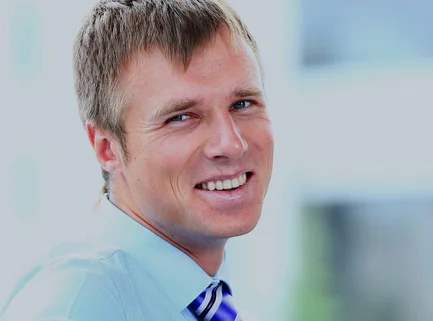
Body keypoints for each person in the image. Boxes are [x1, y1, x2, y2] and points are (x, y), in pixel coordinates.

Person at [0, 0, 273, 320]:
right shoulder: (78, 305)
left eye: (242, 104)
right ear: (106, 148)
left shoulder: (216, 306)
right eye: (181, 117)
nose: (231, 143)